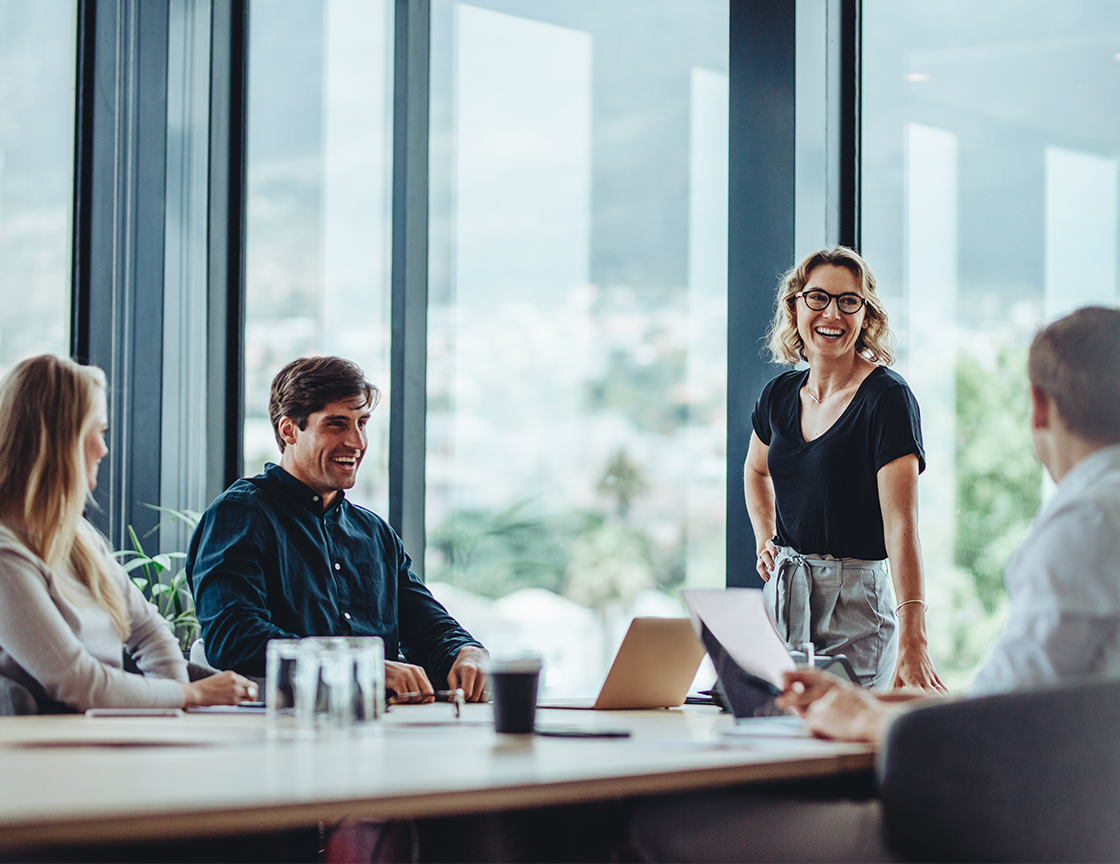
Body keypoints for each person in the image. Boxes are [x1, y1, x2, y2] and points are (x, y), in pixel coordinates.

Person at [628, 306, 1120, 864]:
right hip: (1076, 818)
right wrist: (867, 700)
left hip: (999, 827)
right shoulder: (1103, 512)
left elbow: (998, 730)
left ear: (1039, 408)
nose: (831, 314)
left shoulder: (1088, 523)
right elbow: (1037, 698)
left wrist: (864, 714)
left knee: (667, 823)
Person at [188, 356, 488, 701]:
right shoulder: (241, 514)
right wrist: (359, 665)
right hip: (279, 730)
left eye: (362, 423)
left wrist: (466, 650)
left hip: (381, 728)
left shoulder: (374, 532)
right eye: (336, 425)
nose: (357, 442)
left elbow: (427, 626)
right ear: (289, 430)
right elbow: (234, 638)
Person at [0, 355, 255, 712]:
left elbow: (148, 630)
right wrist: (190, 695)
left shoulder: (76, 535)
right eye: (99, 432)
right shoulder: (6, 556)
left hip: (104, 731)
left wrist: (174, 704)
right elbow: (77, 681)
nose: (104, 449)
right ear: (64, 440)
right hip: (53, 747)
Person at [745, 246, 942, 691]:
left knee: (844, 748)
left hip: (855, 604)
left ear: (866, 315)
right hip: (783, 595)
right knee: (777, 739)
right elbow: (756, 472)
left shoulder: (887, 399)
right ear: (795, 306)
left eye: (848, 301)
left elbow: (901, 526)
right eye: (817, 298)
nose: (831, 313)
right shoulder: (777, 395)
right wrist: (764, 537)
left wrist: (915, 637)